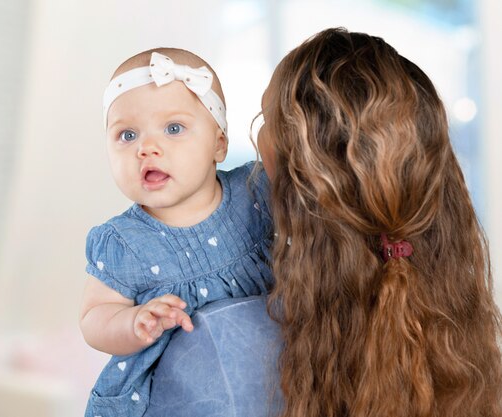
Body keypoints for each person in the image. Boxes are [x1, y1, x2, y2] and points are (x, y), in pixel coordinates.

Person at [256, 28, 502, 417]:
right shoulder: (467, 354)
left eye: (265, 120)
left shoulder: (248, 342)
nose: (259, 141)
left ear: (299, 180)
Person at [79, 47, 273, 417]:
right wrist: (134, 323)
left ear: (219, 143)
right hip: (177, 397)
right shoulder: (123, 242)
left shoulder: (256, 192)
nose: (147, 148)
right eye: (127, 135)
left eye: (173, 128)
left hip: (269, 375)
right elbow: (93, 317)